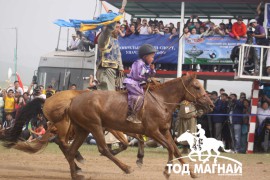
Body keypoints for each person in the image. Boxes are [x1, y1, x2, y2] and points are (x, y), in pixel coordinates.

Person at [123, 44, 157, 123]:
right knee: (139, 96)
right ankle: (132, 114)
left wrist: (152, 70)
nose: (153, 59)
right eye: (151, 57)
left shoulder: (147, 65)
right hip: (132, 82)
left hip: (138, 83)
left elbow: (150, 74)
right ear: (145, 57)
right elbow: (137, 76)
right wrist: (146, 79)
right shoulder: (138, 63)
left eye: (153, 57)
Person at [96, 12, 124, 91]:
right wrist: (112, 21)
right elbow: (106, 32)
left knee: (112, 93)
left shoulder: (115, 40)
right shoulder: (104, 37)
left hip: (113, 70)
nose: (118, 29)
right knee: (108, 94)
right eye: (116, 27)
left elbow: (118, 55)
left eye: (119, 27)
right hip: (105, 69)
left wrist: (121, 67)